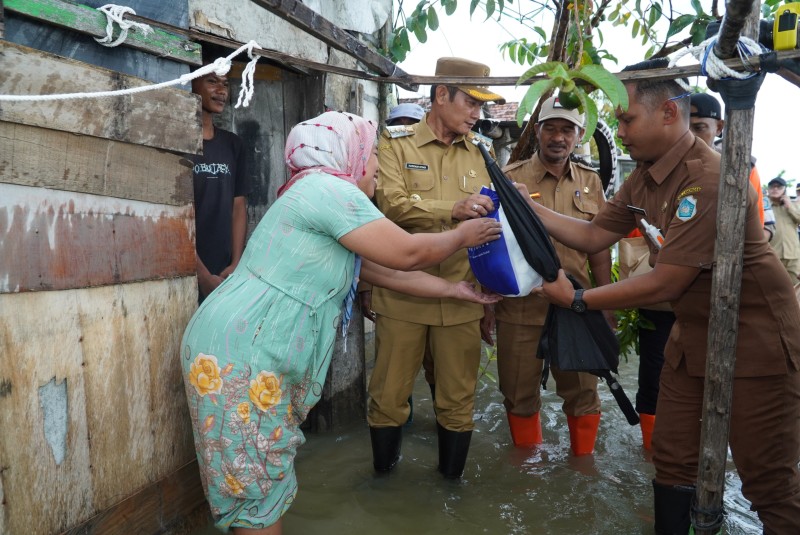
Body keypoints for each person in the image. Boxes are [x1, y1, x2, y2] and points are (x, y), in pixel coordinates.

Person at [180, 111, 503, 534]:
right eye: (371, 158)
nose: (376, 173)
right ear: (349, 156)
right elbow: (407, 253)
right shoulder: (330, 190)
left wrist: (456, 291)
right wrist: (464, 234)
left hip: (238, 348)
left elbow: (384, 271)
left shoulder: (313, 195)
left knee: (255, 487)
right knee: (257, 499)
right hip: (243, 356)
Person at [523, 63, 800, 533]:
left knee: (769, 482)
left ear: (669, 112)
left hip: (758, 341)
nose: (618, 131)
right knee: (671, 460)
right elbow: (593, 235)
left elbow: (666, 282)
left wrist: (578, 299)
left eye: (627, 119)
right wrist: (526, 207)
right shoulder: (644, 177)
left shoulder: (709, 178)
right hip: (691, 336)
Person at [367, 57, 506, 479]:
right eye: (470, 102)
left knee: (458, 402)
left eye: (481, 106)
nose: (476, 113)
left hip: (462, 297)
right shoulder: (395, 143)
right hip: (404, 294)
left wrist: (489, 301)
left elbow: (494, 224)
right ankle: (383, 487)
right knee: (389, 397)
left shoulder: (482, 153)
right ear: (440, 95)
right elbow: (391, 204)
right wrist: (454, 209)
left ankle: (450, 489)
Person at [491, 96, 612, 455]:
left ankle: (583, 466)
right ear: (538, 132)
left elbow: (600, 249)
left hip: (576, 306)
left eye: (567, 130)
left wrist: (607, 304)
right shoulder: (511, 179)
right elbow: (492, 244)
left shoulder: (591, 183)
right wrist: (487, 307)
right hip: (522, 308)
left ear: (578, 136)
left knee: (583, 392)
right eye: (551, 128)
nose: (558, 137)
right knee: (518, 393)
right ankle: (528, 470)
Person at [190, 71, 251, 301]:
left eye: (225, 84)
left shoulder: (233, 145)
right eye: (212, 81)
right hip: (187, 267)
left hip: (225, 272)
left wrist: (236, 263)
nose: (221, 90)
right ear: (192, 83)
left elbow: (238, 205)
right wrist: (202, 276)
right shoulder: (178, 142)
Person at [767, 176, 800, 280]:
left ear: (784, 189)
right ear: (768, 190)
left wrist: (789, 206)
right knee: (773, 286)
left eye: (779, 187)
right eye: (772, 187)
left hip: (793, 256)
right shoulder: (764, 206)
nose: (775, 189)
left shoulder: (793, 204)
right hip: (772, 255)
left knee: (795, 288)